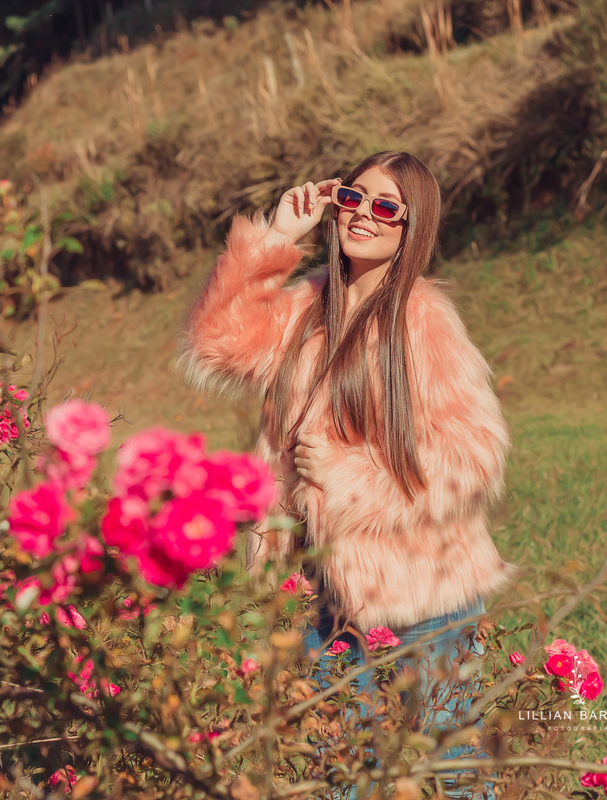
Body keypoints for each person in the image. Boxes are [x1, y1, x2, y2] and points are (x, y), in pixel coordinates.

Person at [180, 151, 518, 796]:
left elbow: (474, 453)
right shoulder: (305, 307)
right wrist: (278, 237)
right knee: (341, 766)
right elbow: (214, 343)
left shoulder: (423, 320)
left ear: (411, 228)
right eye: (354, 198)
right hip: (318, 586)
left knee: (442, 767)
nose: (364, 214)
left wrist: (347, 476)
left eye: (387, 206)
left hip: (421, 586)